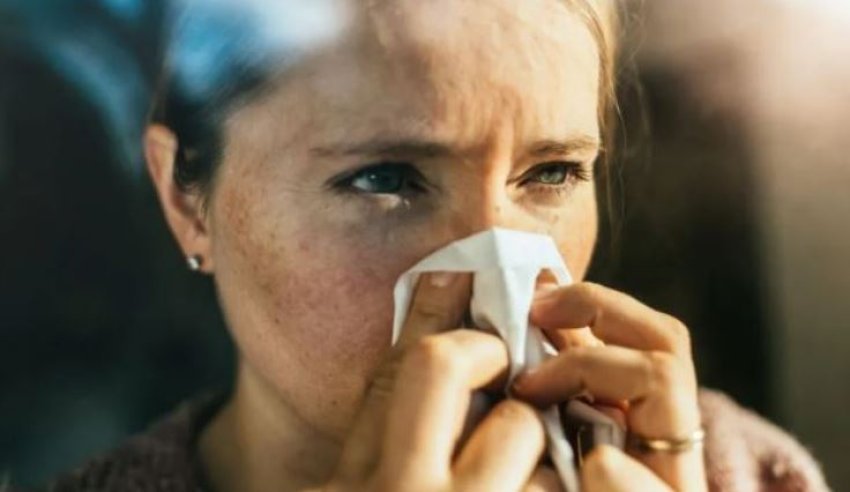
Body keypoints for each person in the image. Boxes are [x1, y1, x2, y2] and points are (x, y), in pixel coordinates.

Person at [37, 0, 828, 491]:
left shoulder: (745, 471)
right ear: (187, 199)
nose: (496, 288)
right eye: (383, 178)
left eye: (551, 173)